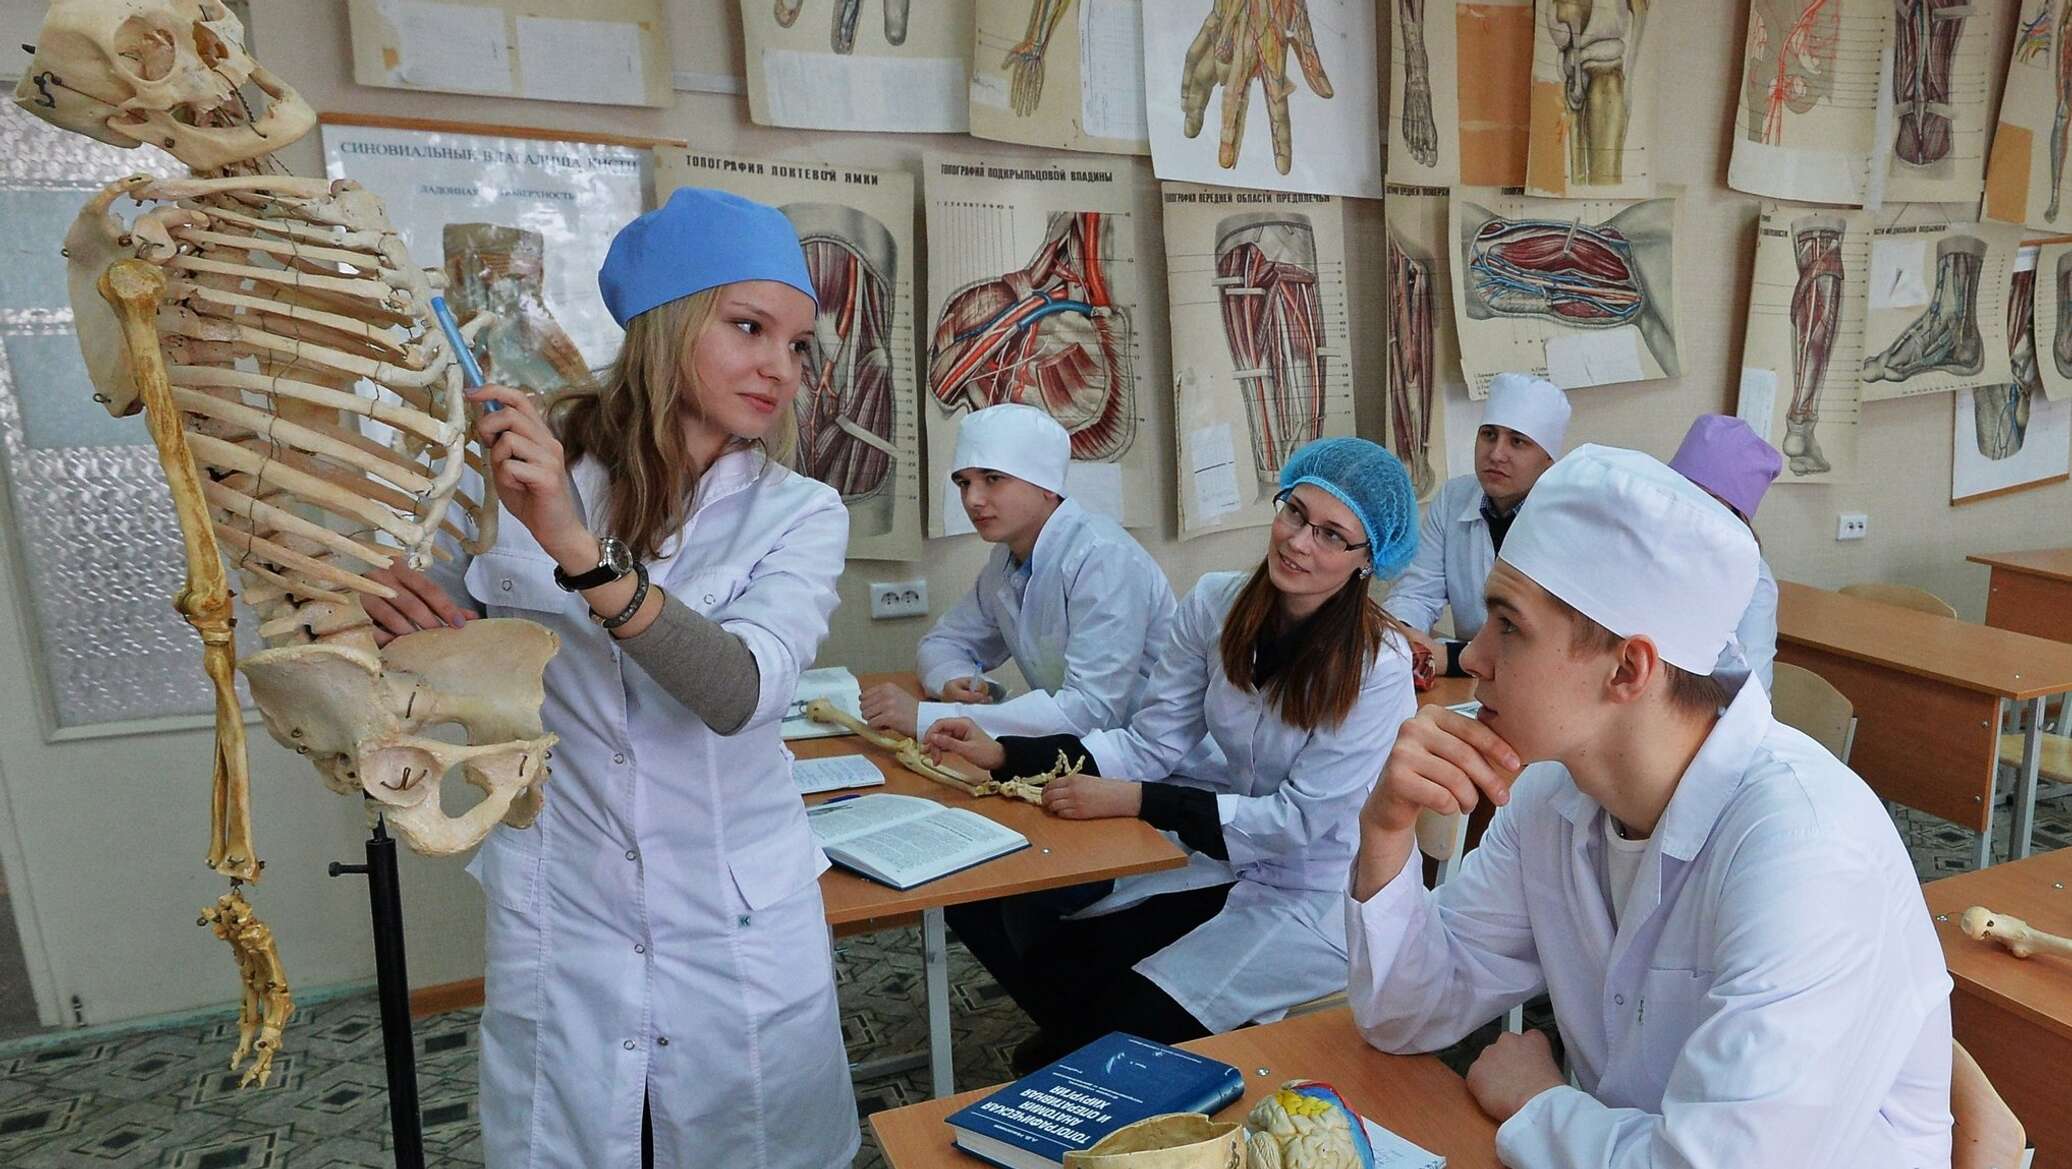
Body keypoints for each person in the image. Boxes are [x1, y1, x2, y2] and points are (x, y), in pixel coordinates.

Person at [364, 188, 858, 1169]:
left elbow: (737, 691)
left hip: (733, 928)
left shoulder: (798, 512)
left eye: (798, 344)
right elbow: (417, 637)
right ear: (666, 325)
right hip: (569, 908)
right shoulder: (511, 477)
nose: (780, 366)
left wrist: (577, 550)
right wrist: (390, 619)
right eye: (748, 326)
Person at [1346, 445, 1952, 1169]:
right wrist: (1386, 830)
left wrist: (1541, 1103)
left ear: (1628, 668)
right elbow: (1406, 1013)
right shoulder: (1554, 793)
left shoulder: (1806, 850)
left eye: (1508, 625)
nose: (1472, 656)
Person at [929, 437, 1422, 1072]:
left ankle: (1086, 1053)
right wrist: (1006, 756)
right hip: (1229, 859)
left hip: (1319, 890)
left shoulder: (1378, 666)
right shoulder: (1218, 603)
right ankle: (1079, 1045)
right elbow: (1152, 741)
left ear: (1367, 560)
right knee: (1052, 954)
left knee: (1103, 1028)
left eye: (1332, 535)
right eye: (1296, 513)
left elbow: (1300, 823)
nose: (1300, 542)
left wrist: (1140, 800)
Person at [859, 403, 1175, 741]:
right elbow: (943, 643)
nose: (972, 499)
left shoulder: (1104, 558)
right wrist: (953, 678)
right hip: (1081, 756)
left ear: (1047, 485)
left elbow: (1089, 712)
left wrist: (928, 718)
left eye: (992, 479)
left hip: (1162, 762)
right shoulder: (1007, 560)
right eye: (964, 483)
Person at [1385, 372, 1571, 676]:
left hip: (1539, 683)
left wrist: (1451, 658)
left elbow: (1555, 643)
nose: (1496, 454)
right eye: (1489, 435)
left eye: (1517, 442)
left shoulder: (1570, 519)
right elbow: (1416, 592)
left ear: (1548, 460)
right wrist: (1403, 636)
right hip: (1469, 683)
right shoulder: (1452, 498)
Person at [1668, 414, 1782, 690]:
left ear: (1734, 513)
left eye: (1703, 500)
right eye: (1678, 490)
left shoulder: (1754, 583)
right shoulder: (1645, 541)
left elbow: (1749, 693)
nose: (1686, 508)